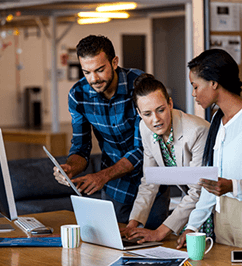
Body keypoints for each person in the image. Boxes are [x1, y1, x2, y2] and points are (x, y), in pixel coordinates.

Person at [53, 35, 169, 227]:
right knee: (113, 246)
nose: (94, 79)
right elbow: (81, 146)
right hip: (115, 187)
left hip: (151, 181)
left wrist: (102, 176)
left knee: (155, 246)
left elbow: (143, 148)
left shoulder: (140, 85)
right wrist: (70, 168)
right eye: (87, 72)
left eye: (100, 70)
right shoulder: (78, 95)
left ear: (114, 62)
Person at [176, 49, 242, 254]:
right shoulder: (217, 120)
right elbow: (212, 183)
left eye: (196, 86)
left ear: (214, 83)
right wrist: (192, 226)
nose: (193, 93)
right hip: (222, 215)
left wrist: (233, 186)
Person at [120, 73, 210, 243]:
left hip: (211, 206)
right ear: (139, 113)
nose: (156, 120)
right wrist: (132, 225)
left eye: (160, 110)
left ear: (170, 103)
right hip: (190, 207)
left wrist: (159, 233)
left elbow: (198, 190)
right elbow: (150, 181)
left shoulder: (197, 131)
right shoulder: (145, 129)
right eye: (147, 114)